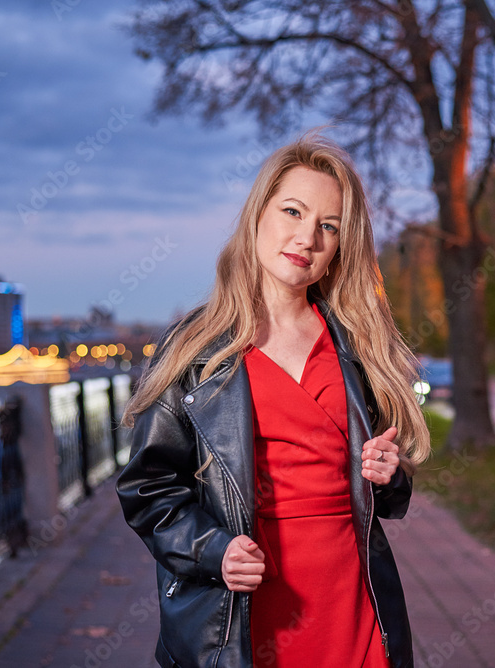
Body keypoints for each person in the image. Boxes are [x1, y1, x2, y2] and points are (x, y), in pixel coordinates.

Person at [116, 132, 431, 668]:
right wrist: (212, 551)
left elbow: (390, 497)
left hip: (352, 602)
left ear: (337, 249)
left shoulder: (357, 346)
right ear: (258, 215)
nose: (306, 237)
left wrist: (388, 471)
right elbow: (148, 489)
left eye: (327, 227)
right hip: (247, 613)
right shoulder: (194, 350)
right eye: (293, 211)